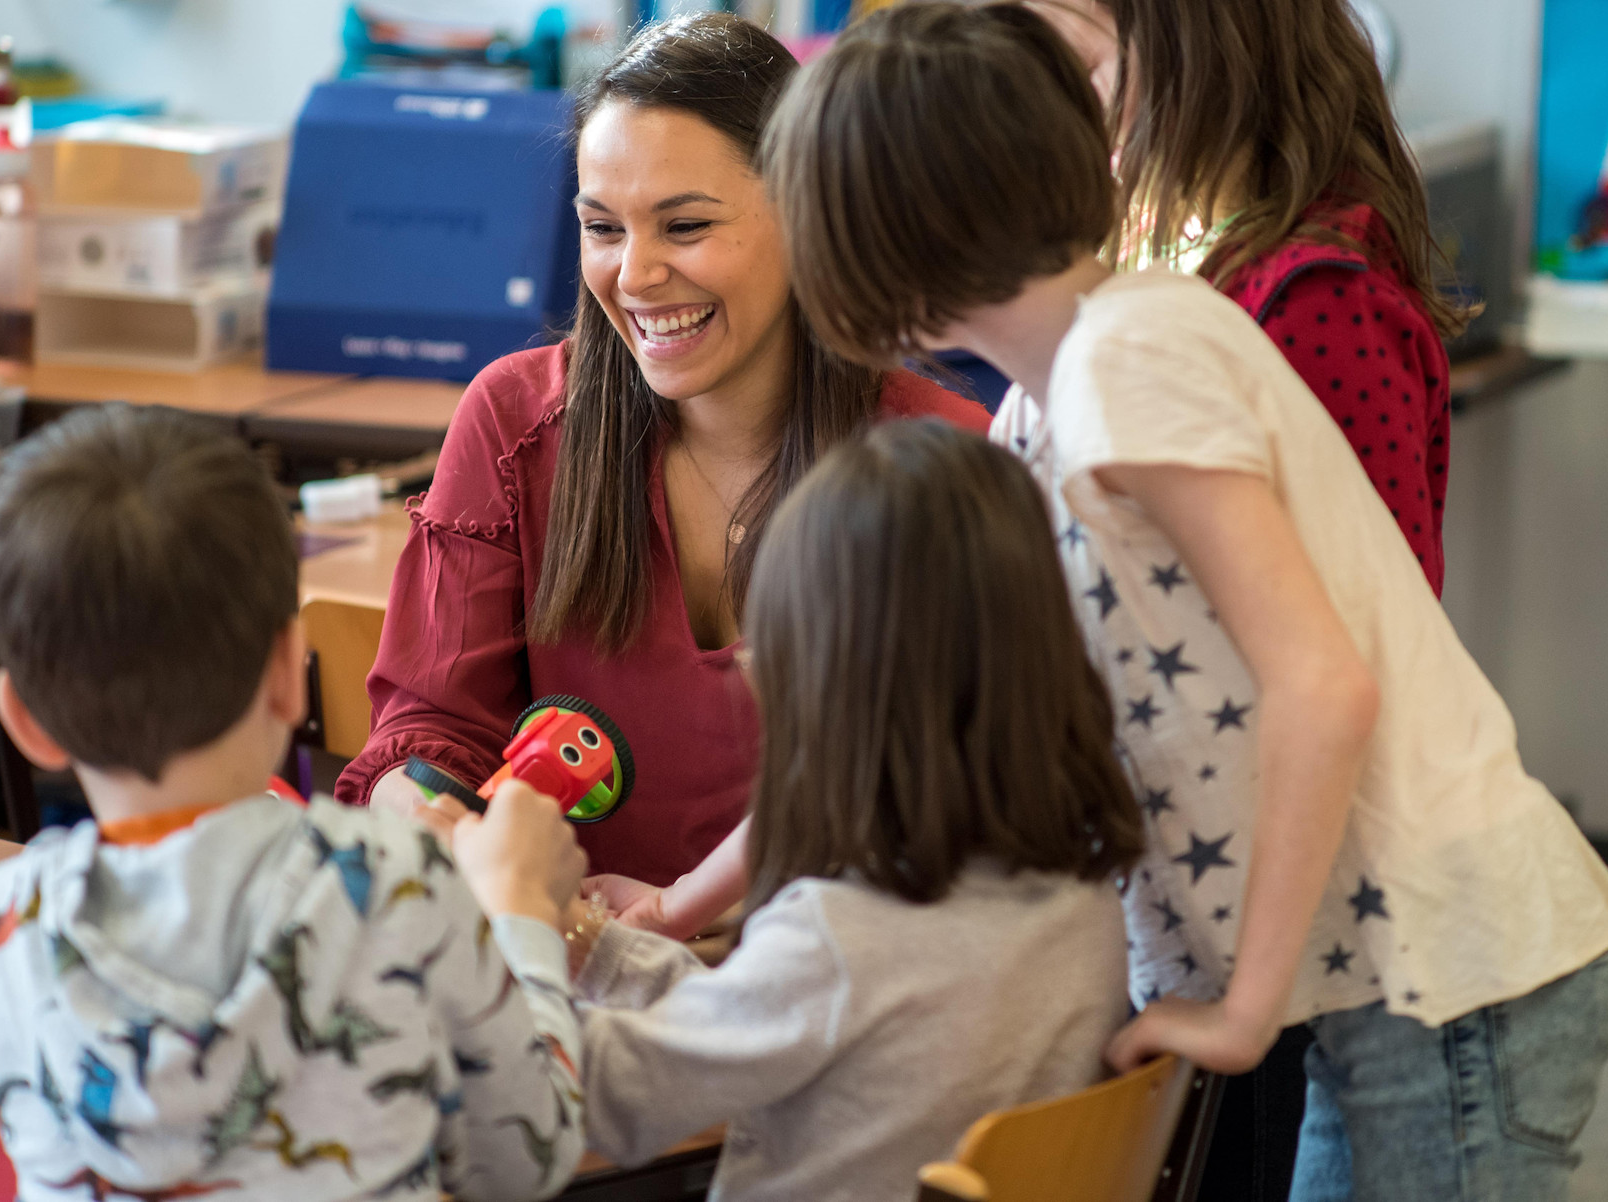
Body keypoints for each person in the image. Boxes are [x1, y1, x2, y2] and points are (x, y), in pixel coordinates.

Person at [767, 1, 1608, 1202]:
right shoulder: (1044, 398)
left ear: (892, 237)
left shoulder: (1132, 361)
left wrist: (1243, 1012)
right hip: (1383, 981)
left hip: (1442, 978)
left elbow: (1323, 684)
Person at [335, 14, 986, 888]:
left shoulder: (945, 465)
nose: (635, 276)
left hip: (827, 984)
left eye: (683, 227)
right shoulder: (513, 421)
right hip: (577, 971)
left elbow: (978, 806)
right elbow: (430, 729)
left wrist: (767, 910)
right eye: (603, 229)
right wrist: (428, 817)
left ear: (807, 215)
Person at [431, 419, 1142, 1202]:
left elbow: (571, 1109)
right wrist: (582, 940)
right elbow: (756, 1019)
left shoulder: (842, 941)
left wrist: (514, 915)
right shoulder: (1087, 901)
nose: (747, 665)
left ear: (841, 692)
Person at [0, 404, 593, 1202]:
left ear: (23, 720)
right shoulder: (395, 879)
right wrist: (521, 914)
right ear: (292, 672)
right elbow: (528, 1160)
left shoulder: (3, 918)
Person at [1015, 0, 1461, 594]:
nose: (1050, 103)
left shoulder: (1320, 301)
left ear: (1195, 53)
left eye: (1078, 67)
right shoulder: (1158, 242)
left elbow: (1375, 608)